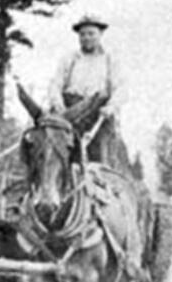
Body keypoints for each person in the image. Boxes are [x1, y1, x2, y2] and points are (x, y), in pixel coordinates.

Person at [47, 14, 128, 168]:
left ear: (100, 34)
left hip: (98, 114)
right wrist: (58, 104)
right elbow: (55, 84)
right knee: (56, 156)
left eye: (91, 33)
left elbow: (121, 88)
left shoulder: (110, 59)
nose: (86, 38)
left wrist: (111, 107)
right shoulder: (70, 59)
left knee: (98, 162)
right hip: (71, 112)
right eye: (83, 34)